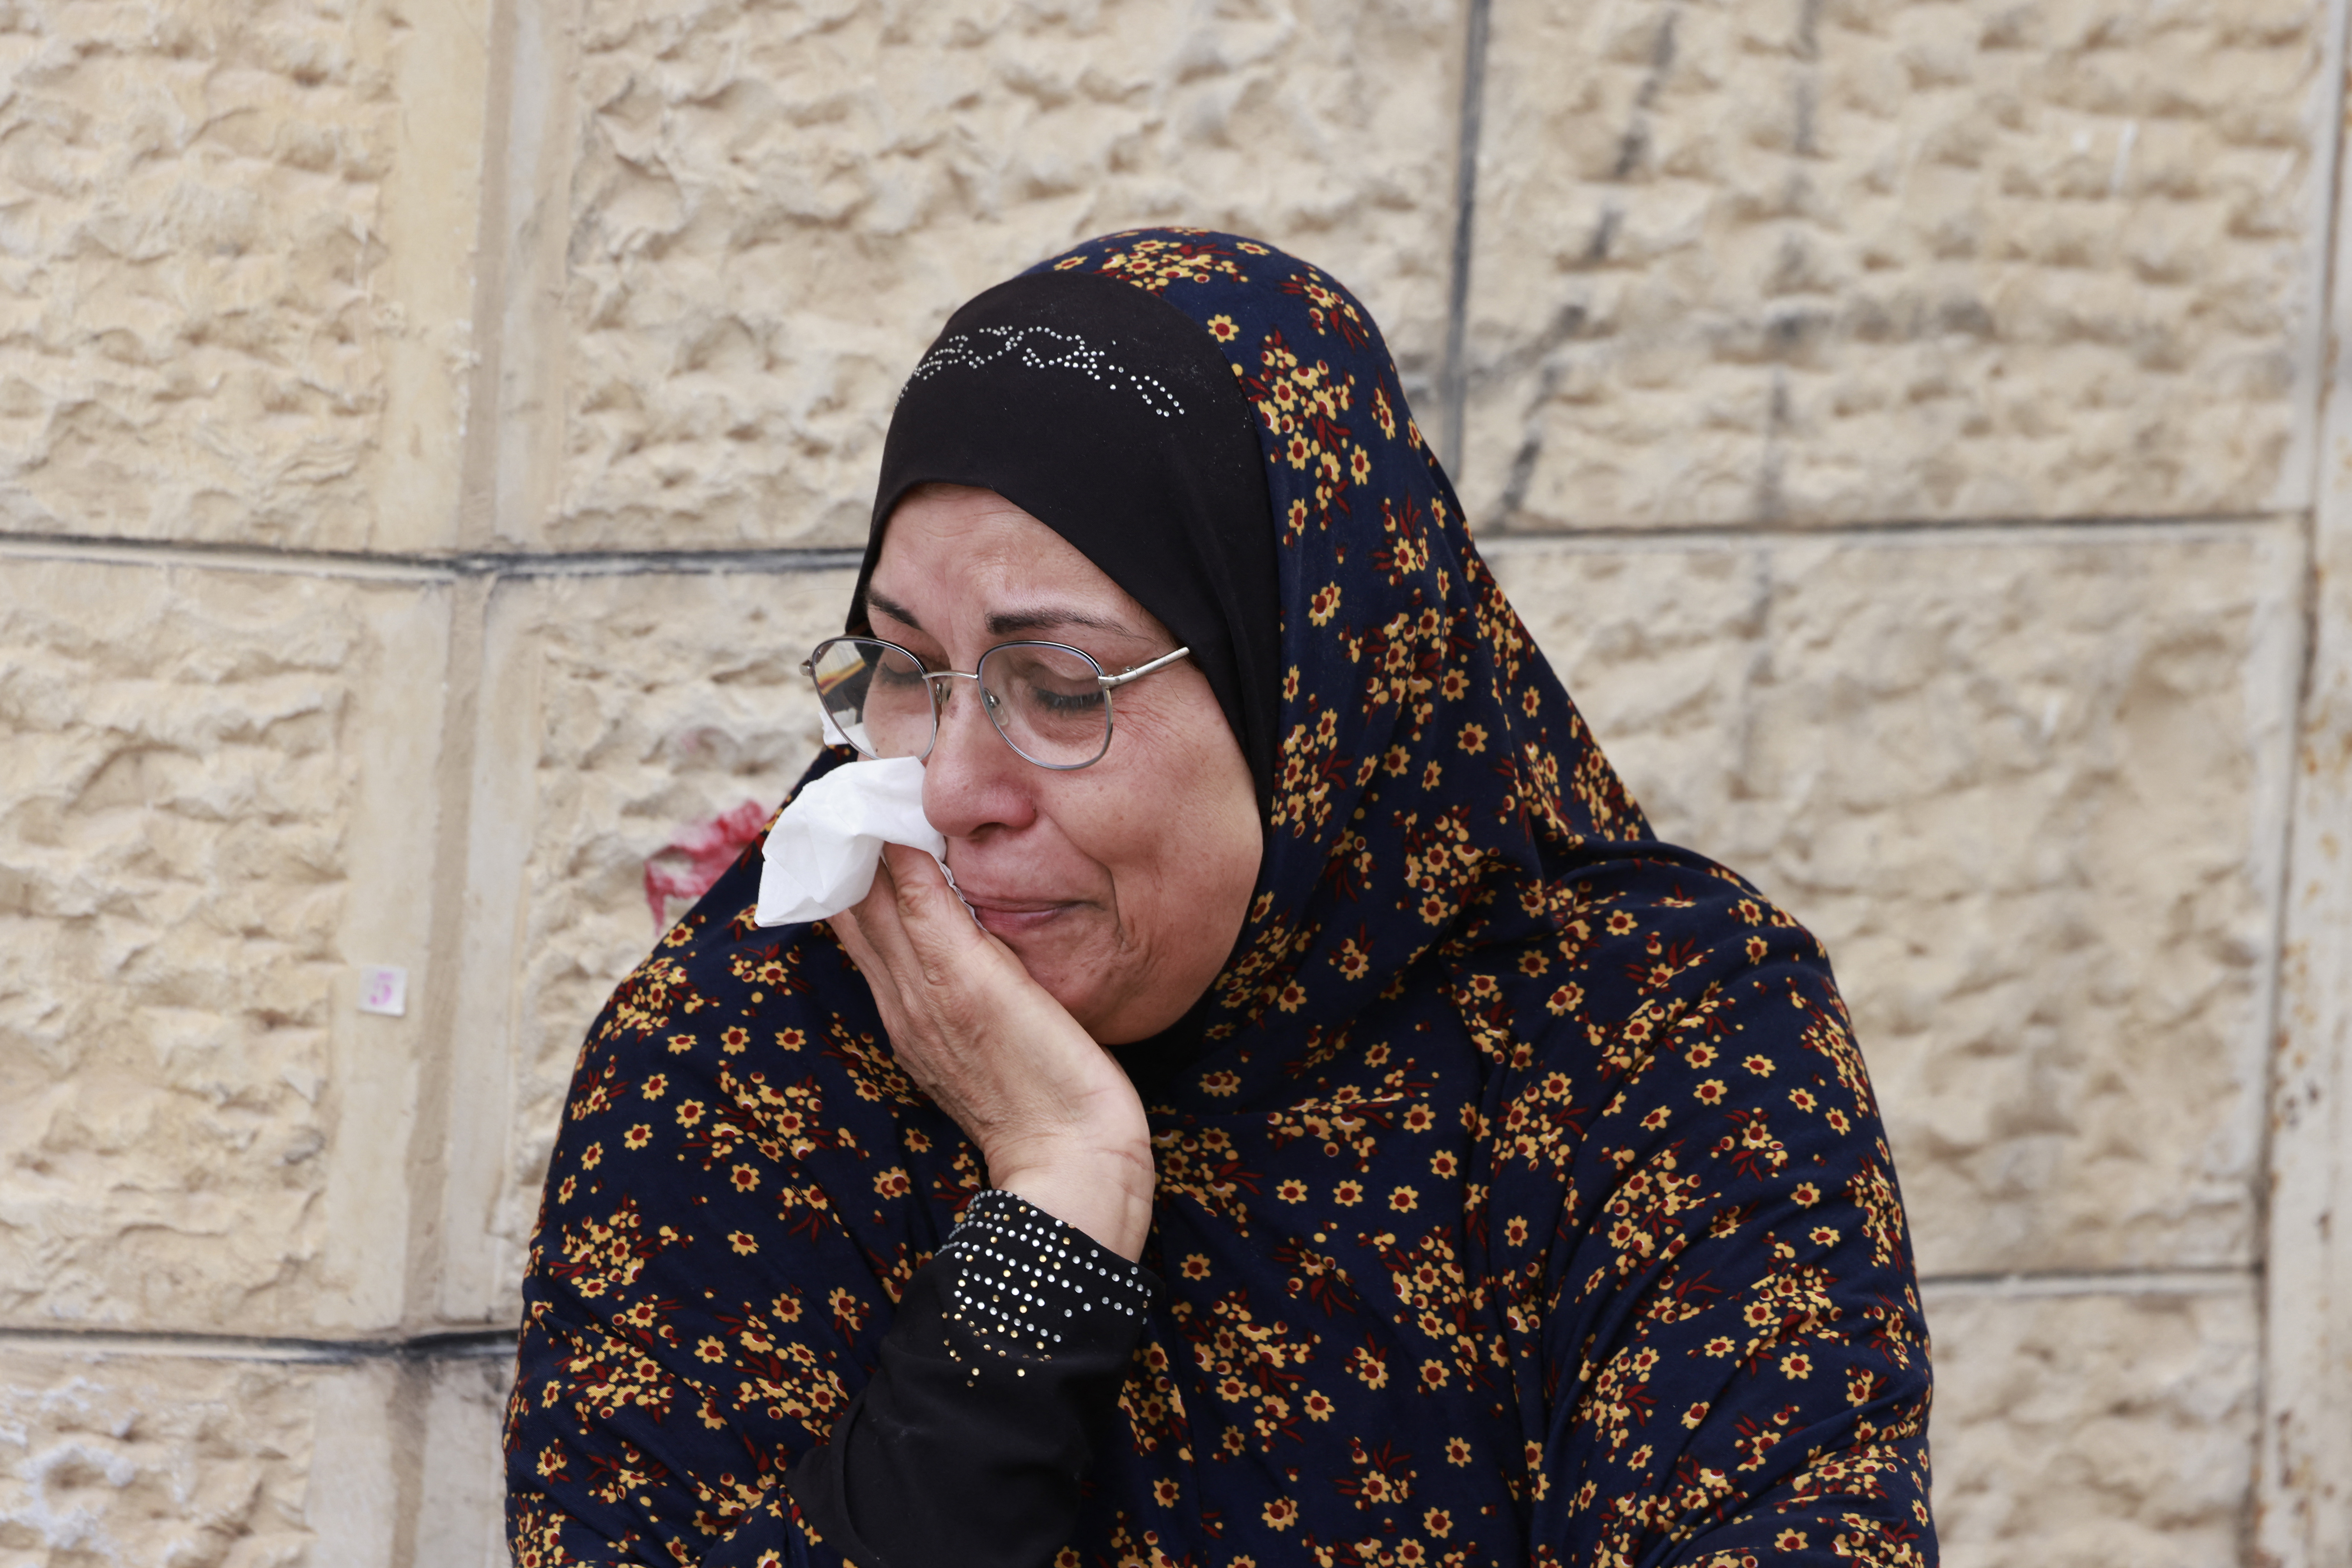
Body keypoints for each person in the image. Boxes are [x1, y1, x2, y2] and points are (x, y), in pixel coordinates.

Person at [505, 229, 1936, 1568]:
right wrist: (1052, 1198)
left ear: (1306, 696)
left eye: (1056, 690)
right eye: (900, 668)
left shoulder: (1646, 1037)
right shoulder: (762, 1034)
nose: (947, 788)